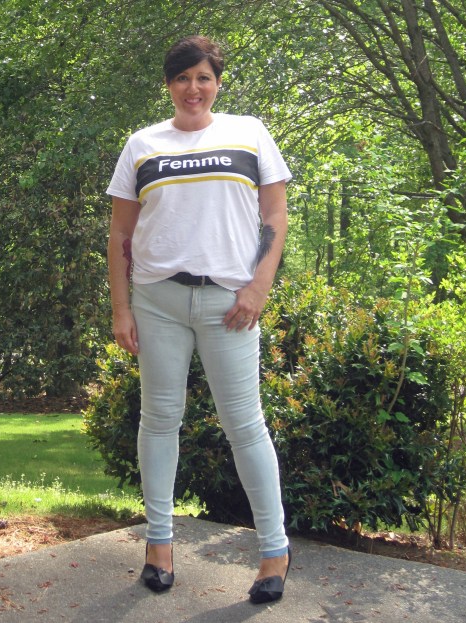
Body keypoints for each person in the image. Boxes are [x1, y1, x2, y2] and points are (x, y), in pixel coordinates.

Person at [106, 35, 292, 604]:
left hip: (229, 305)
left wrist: (258, 288)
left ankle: (274, 551)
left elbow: (275, 213)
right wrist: (121, 308)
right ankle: (158, 545)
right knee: (160, 421)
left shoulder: (249, 133)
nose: (193, 88)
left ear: (217, 82)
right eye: (183, 78)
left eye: (203, 77)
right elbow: (120, 232)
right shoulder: (142, 144)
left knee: (245, 427)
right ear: (169, 84)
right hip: (157, 301)